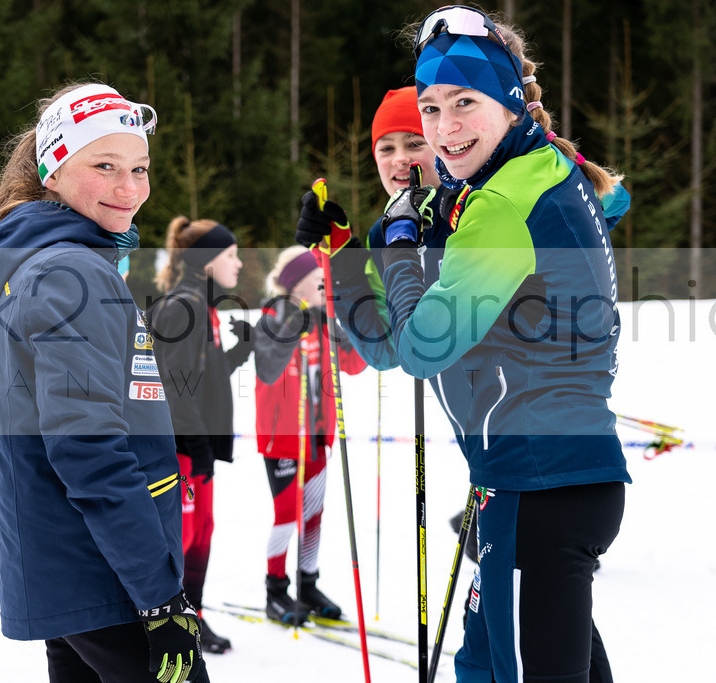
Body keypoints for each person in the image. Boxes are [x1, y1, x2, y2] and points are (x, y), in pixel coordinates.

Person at [297, 6, 632, 681]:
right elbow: (387, 343)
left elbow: (417, 347)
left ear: (507, 104)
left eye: (463, 106)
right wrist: (348, 257)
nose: (440, 133)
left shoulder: (491, 206)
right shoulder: (528, 176)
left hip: (534, 483)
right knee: (487, 662)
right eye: (428, 112)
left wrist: (393, 253)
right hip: (550, 480)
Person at [0, 82, 204, 683]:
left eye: (140, 168)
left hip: (79, 575)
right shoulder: (70, 273)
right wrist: (158, 596)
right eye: (105, 167)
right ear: (54, 172)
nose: (130, 189)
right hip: (109, 579)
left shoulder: (55, 265)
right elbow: (87, 447)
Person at [148, 216, 253, 654]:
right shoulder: (183, 306)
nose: (240, 264)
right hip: (181, 450)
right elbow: (173, 384)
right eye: (231, 256)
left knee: (203, 532)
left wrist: (241, 351)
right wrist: (195, 447)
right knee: (185, 538)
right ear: (208, 261)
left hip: (196, 446)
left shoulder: (202, 306)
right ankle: (170, 624)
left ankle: (194, 617)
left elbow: (202, 377)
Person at [252, 245, 367, 624]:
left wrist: (356, 328)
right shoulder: (273, 315)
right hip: (283, 437)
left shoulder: (323, 319)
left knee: (313, 514)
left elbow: (352, 365)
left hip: (318, 436)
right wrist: (292, 324)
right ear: (296, 284)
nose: (324, 284)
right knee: (287, 515)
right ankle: (276, 590)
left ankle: (308, 583)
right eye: (317, 278)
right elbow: (268, 369)